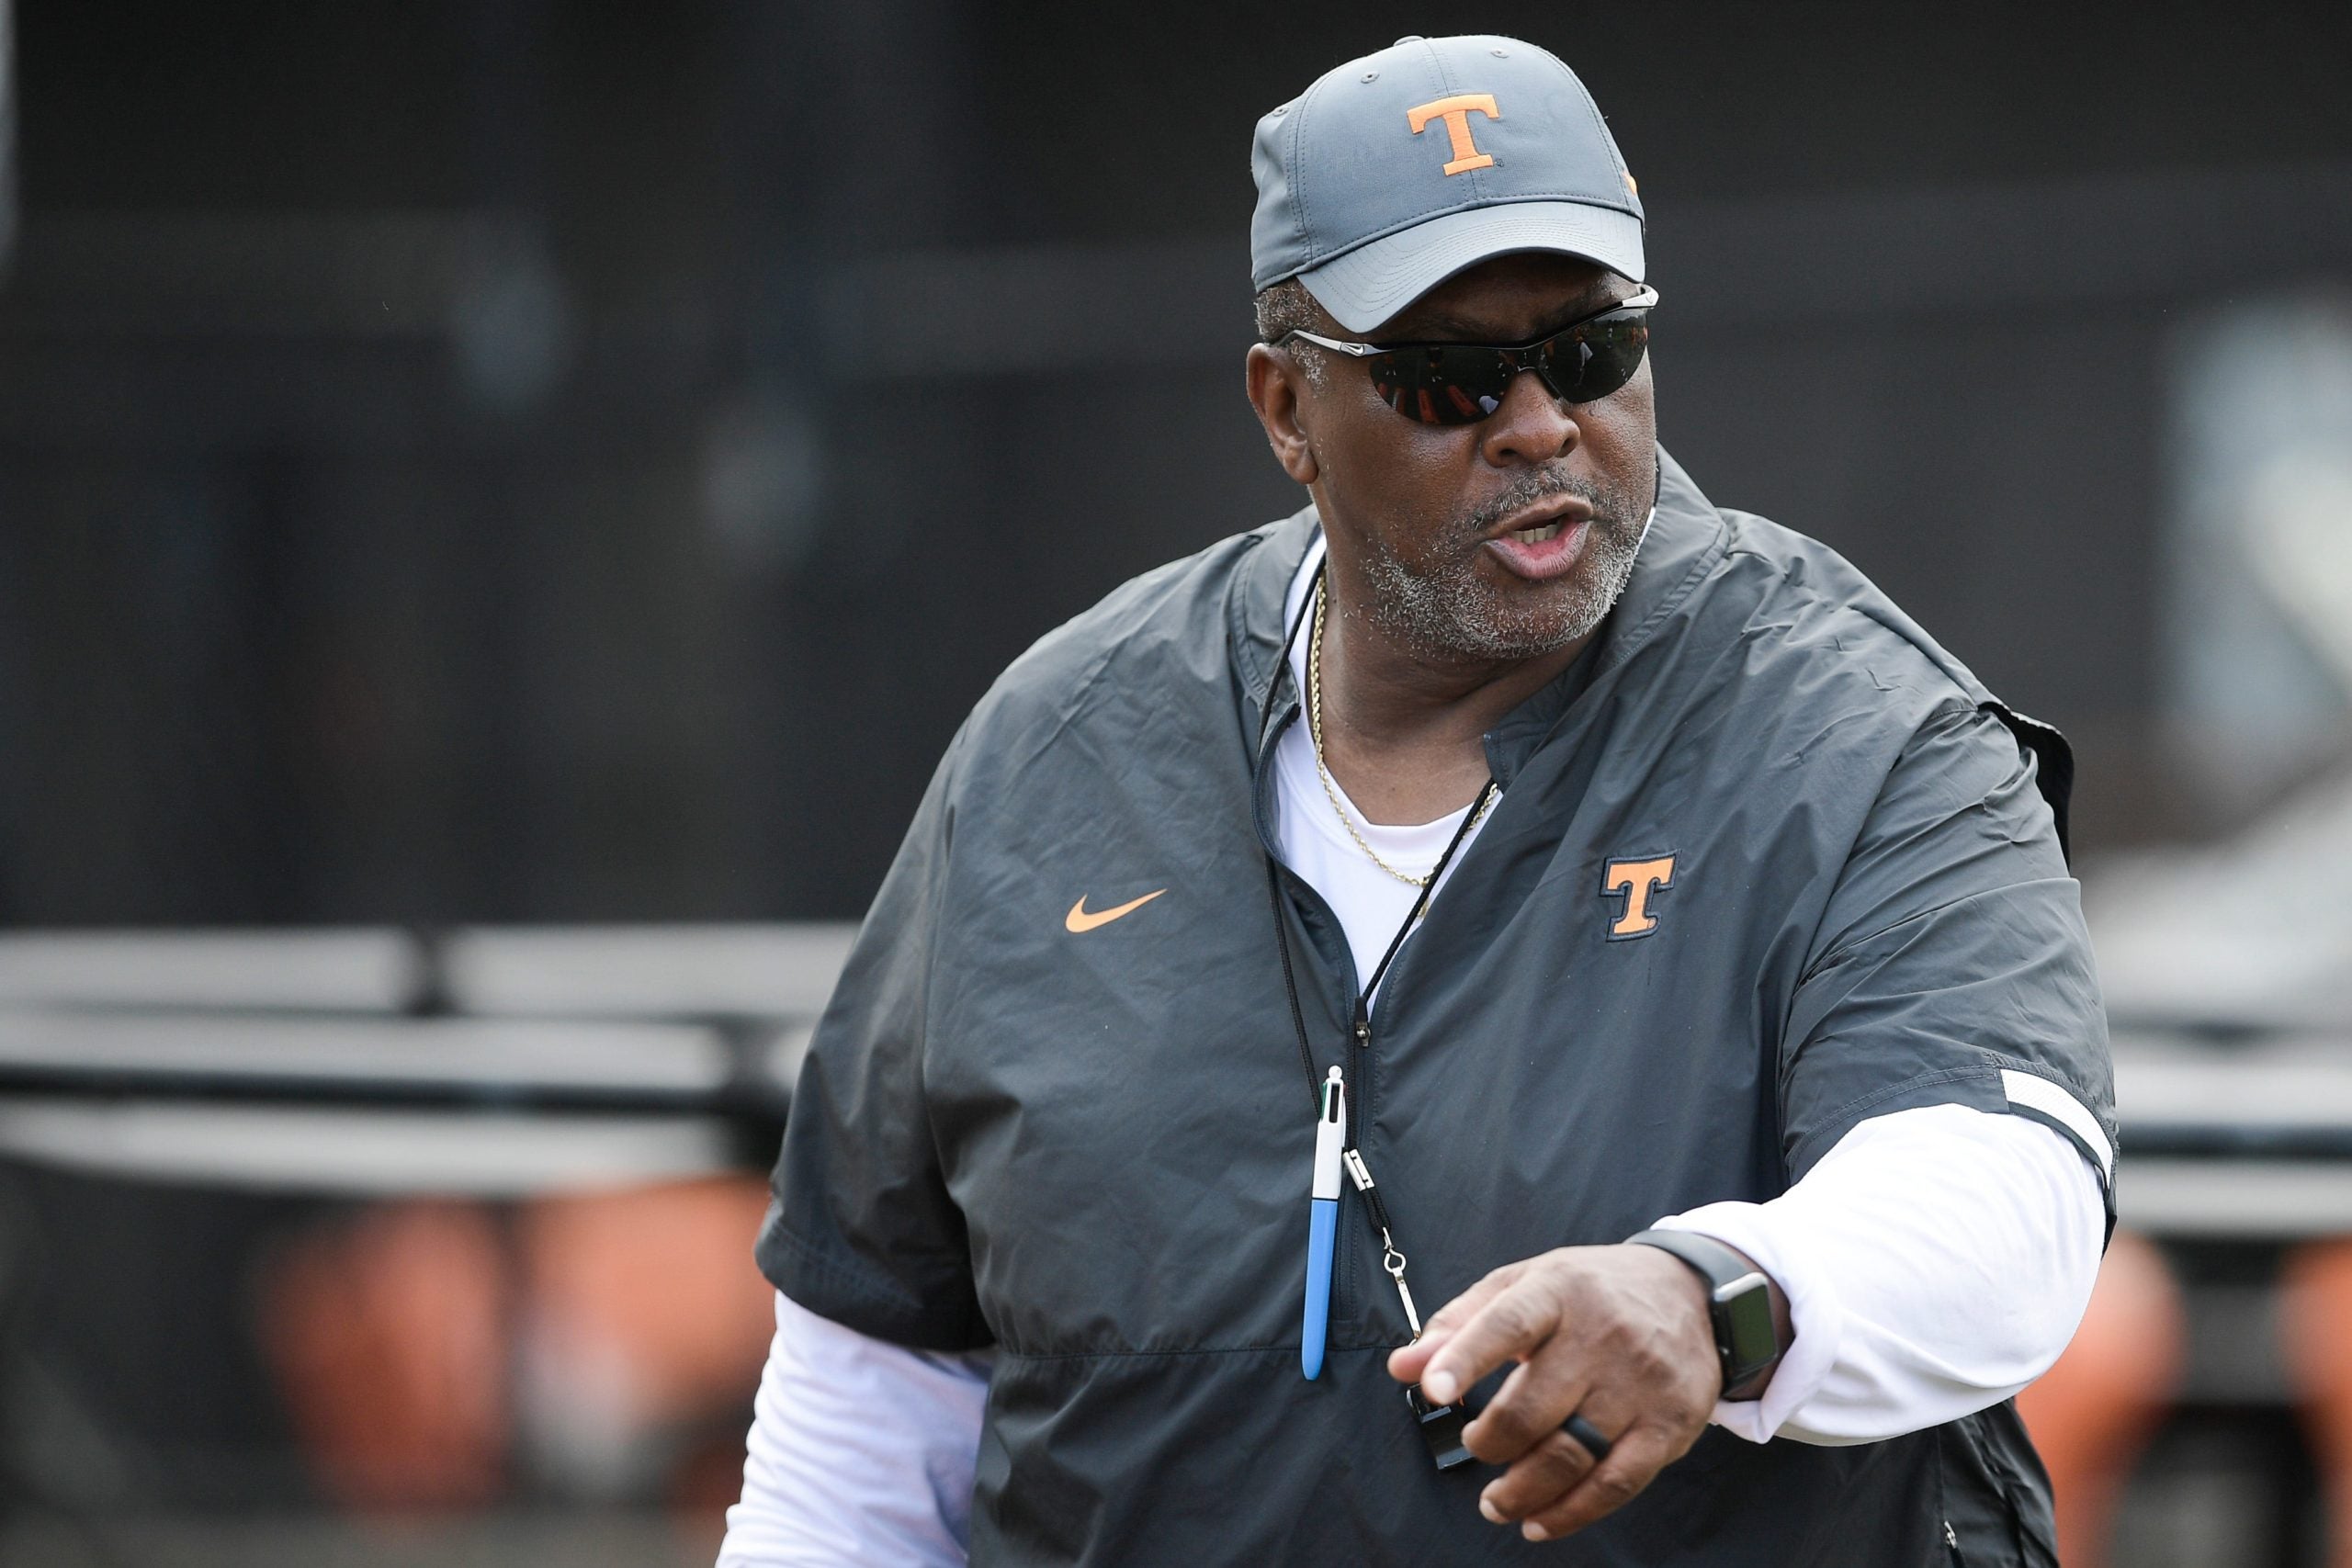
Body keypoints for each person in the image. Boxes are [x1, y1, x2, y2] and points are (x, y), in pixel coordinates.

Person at [718, 33, 2114, 1566]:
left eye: (1590, 350)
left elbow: (2008, 1190)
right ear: (1286, 409)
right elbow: (878, 1384)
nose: (1536, 425)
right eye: (1447, 378)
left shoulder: (1855, 731)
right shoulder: (1060, 747)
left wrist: (1714, 1297)